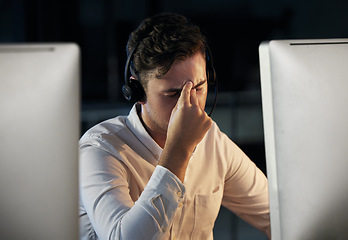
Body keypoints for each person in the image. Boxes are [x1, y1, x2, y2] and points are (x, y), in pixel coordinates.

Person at [79, 13, 270, 240]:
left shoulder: (214, 143)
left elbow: (274, 214)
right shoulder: (100, 150)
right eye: (173, 94)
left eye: (198, 87)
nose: (191, 104)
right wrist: (179, 149)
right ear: (137, 91)